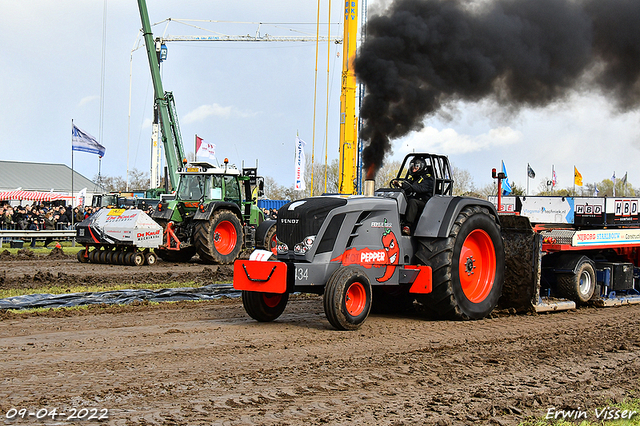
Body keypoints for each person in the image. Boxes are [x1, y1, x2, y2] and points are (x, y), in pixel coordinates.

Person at [391, 157, 434, 235]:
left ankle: (408, 226)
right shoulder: (412, 179)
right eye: (412, 166)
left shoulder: (428, 180)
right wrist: (399, 185)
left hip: (425, 203)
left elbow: (419, 188)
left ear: (422, 167)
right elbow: (407, 185)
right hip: (412, 200)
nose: (413, 168)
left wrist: (403, 185)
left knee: (412, 202)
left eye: (416, 166)